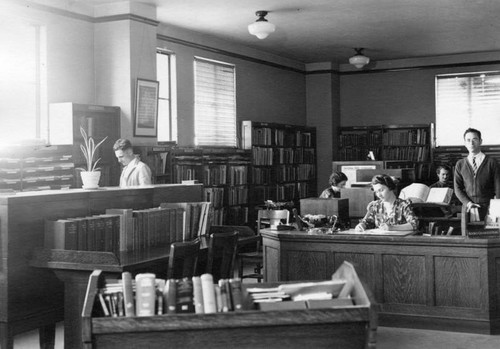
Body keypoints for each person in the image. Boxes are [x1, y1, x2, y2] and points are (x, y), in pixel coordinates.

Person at [454, 128, 500, 220]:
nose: (471, 143)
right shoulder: (460, 164)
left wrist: (497, 208)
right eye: (468, 140)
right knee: (469, 233)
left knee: (490, 233)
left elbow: (498, 187)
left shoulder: (492, 162)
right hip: (468, 208)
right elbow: (457, 188)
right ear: (465, 143)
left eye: (474, 139)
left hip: (490, 208)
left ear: (480, 141)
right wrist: (468, 203)